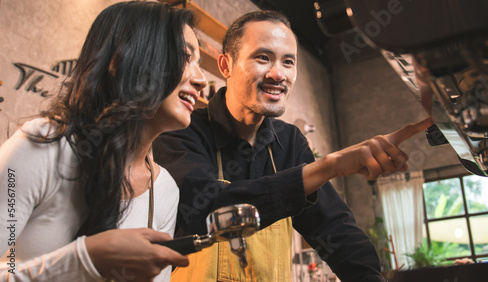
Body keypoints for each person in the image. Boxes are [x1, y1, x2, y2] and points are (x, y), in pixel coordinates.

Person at [152, 10, 433, 282]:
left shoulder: (289, 142)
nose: (278, 74)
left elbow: (333, 227)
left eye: (288, 62)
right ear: (225, 65)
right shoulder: (181, 131)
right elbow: (209, 209)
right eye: (263, 58)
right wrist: (330, 166)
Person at [0, 1, 207, 281]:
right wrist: (84, 260)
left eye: (199, 64)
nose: (202, 80)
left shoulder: (166, 190)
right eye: (185, 57)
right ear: (135, 59)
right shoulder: (43, 146)